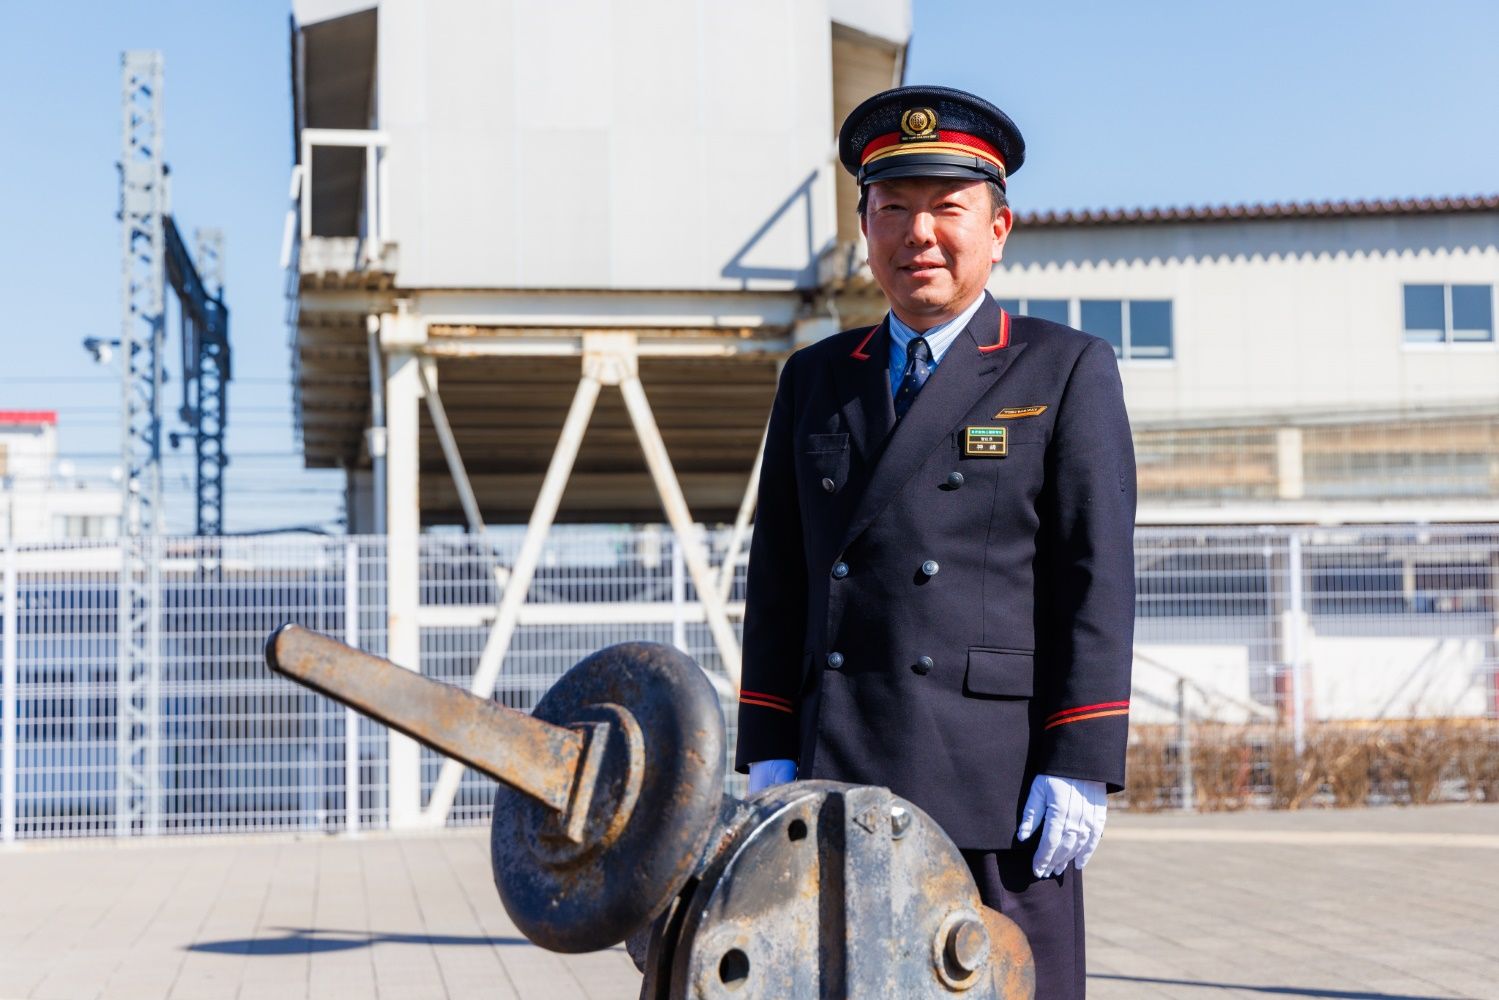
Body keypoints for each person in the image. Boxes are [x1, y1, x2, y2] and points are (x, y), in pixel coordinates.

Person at [733, 84, 1136, 999]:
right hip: (841, 773)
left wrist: (1078, 761)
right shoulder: (818, 378)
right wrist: (767, 741)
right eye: (894, 211)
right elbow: (780, 575)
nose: (919, 235)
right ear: (865, 229)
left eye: (945, 210)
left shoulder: (1061, 367)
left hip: (996, 780)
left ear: (997, 228)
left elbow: (1094, 576)